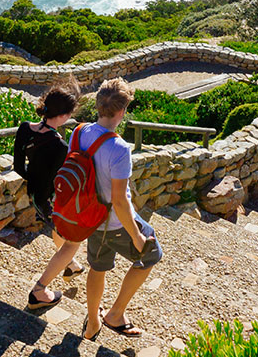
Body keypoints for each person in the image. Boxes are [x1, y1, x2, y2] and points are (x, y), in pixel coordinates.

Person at [78, 78, 163, 340]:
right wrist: (136, 237)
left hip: (91, 217)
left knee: (97, 267)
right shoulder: (119, 148)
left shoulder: (81, 131)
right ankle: (115, 314)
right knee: (151, 255)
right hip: (114, 222)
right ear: (122, 111)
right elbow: (119, 200)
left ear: (98, 105)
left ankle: (93, 322)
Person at [12, 77, 85, 309]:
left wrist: (33, 178)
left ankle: (70, 264)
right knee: (73, 239)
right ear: (63, 116)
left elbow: (18, 167)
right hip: (50, 200)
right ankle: (39, 292)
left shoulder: (25, 128)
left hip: (33, 194)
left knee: (57, 229)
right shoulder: (60, 146)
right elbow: (59, 179)